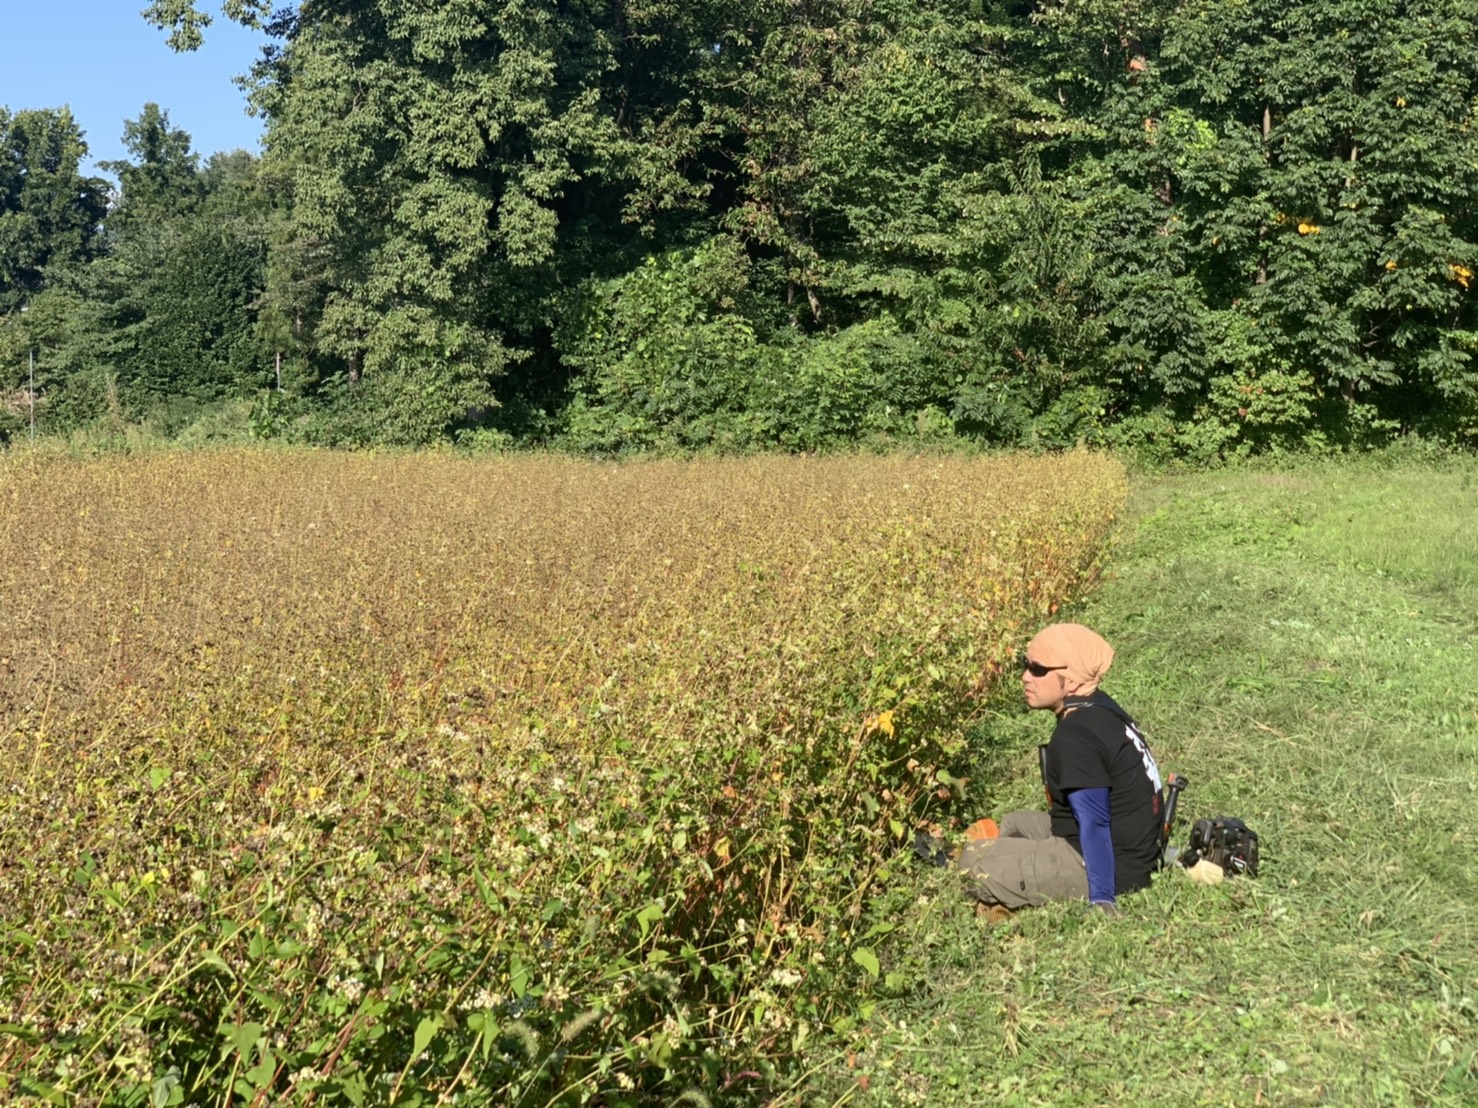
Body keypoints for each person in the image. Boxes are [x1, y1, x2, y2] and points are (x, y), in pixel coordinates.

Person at [957, 623, 1163, 915]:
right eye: (1025, 665)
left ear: (1071, 679)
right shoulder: (1100, 706)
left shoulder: (1076, 735)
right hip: (1132, 848)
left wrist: (1102, 898)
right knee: (1014, 823)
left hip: (1109, 864)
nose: (1025, 677)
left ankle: (1005, 888)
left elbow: (1094, 822)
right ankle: (1009, 866)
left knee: (971, 863)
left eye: (1038, 669)